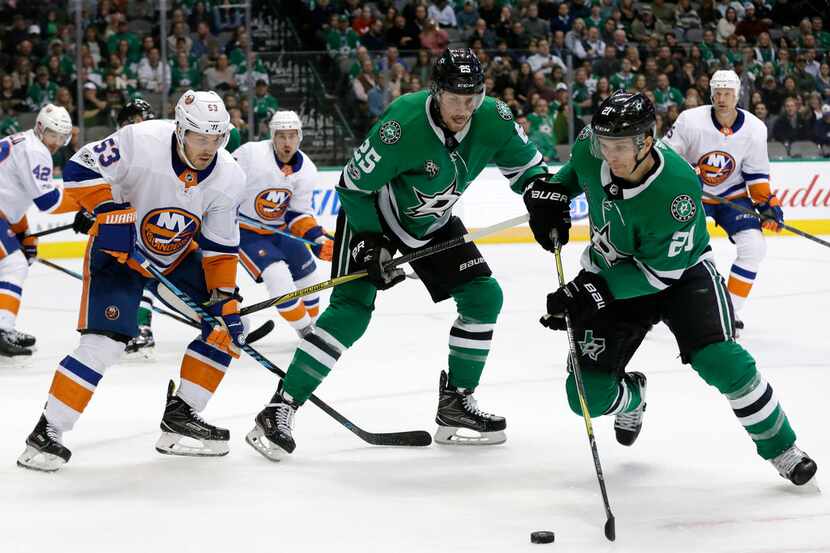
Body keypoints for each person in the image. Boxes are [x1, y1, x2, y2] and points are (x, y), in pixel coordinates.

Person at [245, 48, 549, 461]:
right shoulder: (402, 122)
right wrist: (372, 241)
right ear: (436, 92)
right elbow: (353, 186)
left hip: (432, 222)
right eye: (456, 99)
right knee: (350, 313)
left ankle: (456, 402)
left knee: (483, 297)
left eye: (472, 98)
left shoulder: (493, 118)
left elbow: (527, 169)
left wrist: (542, 195)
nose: (464, 109)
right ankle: (280, 406)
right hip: (374, 214)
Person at [525, 90, 816, 486]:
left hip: (680, 277)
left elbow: (660, 275)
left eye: (620, 146)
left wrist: (590, 291)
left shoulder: (677, 189)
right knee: (585, 399)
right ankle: (633, 396)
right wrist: (554, 195)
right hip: (611, 272)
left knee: (722, 360)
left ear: (646, 142)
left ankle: (783, 448)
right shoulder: (591, 147)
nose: (609, 154)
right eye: (604, 143)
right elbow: (577, 173)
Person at [17, 90, 247, 472]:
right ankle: (47, 431)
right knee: (104, 345)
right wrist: (109, 212)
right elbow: (78, 169)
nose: (208, 148)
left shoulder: (229, 176)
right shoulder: (139, 140)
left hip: (174, 255)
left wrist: (225, 300)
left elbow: (220, 249)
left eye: (215, 139)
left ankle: (182, 416)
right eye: (199, 138)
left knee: (227, 327)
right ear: (180, 130)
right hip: (117, 253)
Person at [662, 70, 783, 332]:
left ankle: (727, 310)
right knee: (679, 249)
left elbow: (756, 174)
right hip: (694, 195)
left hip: (733, 197)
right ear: (711, 94)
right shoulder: (690, 120)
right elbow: (664, 157)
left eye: (728, 93)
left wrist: (767, 206)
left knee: (754, 248)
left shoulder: (754, 129)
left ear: (737, 95)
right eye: (718, 93)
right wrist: (685, 174)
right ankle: (657, 305)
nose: (722, 98)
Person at [234, 111, 334, 337]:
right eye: (281, 136)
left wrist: (317, 238)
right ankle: (305, 329)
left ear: (300, 137)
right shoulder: (251, 154)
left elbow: (297, 214)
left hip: (280, 230)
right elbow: (223, 178)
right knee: (277, 275)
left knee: (309, 275)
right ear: (272, 136)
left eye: (291, 136)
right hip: (245, 231)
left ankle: (314, 323)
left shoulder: (307, 169)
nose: (286, 142)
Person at [0, 104, 75, 356]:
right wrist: (87, 201)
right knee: (14, 265)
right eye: (53, 135)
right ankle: (2, 328)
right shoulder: (36, 151)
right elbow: (48, 202)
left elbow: (13, 198)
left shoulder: (24, 143)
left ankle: (3, 326)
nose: (56, 142)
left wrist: (26, 235)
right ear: (41, 128)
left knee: (11, 265)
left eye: (62, 137)